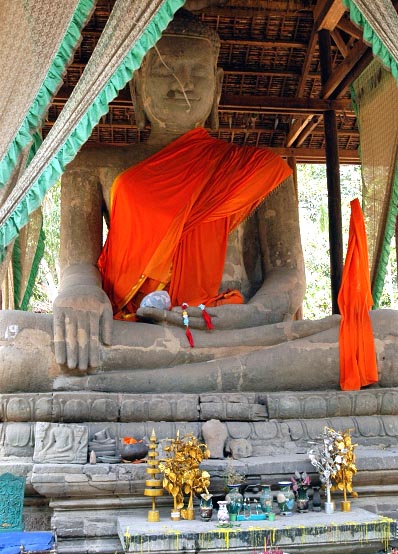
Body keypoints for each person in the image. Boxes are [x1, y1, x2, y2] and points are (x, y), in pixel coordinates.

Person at [1, 10, 395, 395]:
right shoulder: (95, 165)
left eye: (197, 72)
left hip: (240, 332)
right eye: (164, 71)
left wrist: (236, 319)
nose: (182, 84)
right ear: (136, 86)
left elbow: (288, 280)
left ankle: (123, 387)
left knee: (384, 335)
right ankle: (178, 377)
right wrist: (78, 292)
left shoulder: (262, 170)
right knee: (12, 341)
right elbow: (77, 266)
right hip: (136, 330)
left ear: (218, 87)